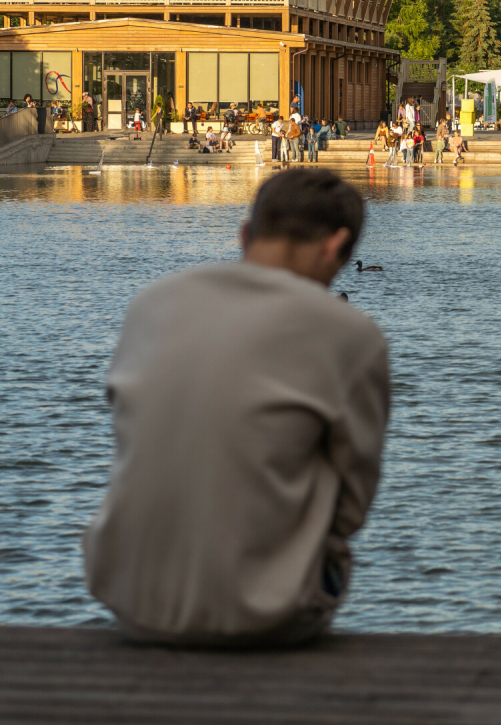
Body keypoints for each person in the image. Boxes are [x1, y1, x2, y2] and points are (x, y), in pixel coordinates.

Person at [83, 169, 390, 648]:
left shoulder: (153, 303)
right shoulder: (349, 333)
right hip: (266, 616)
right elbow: (353, 502)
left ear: (246, 234)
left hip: (130, 604)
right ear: (336, 246)